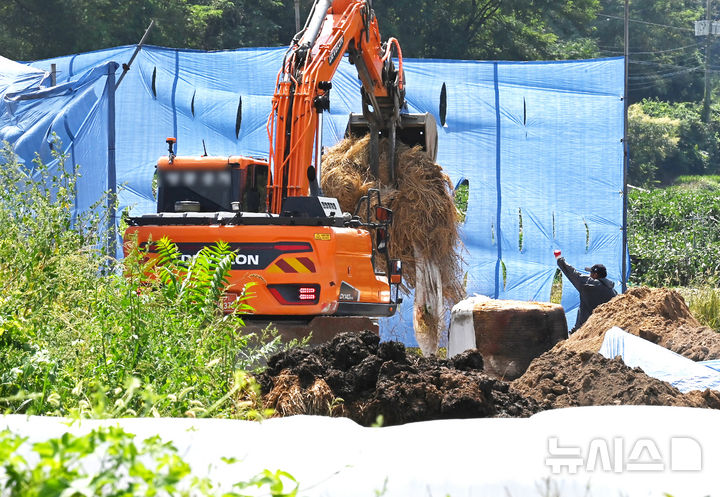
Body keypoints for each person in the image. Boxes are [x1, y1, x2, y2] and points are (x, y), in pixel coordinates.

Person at [554, 249, 617, 334]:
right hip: (603, 331)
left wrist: (559, 259)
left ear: (595, 275)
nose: (589, 275)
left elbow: (573, 274)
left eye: (591, 273)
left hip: (587, 331)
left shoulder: (589, 285)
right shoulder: (613, 291)